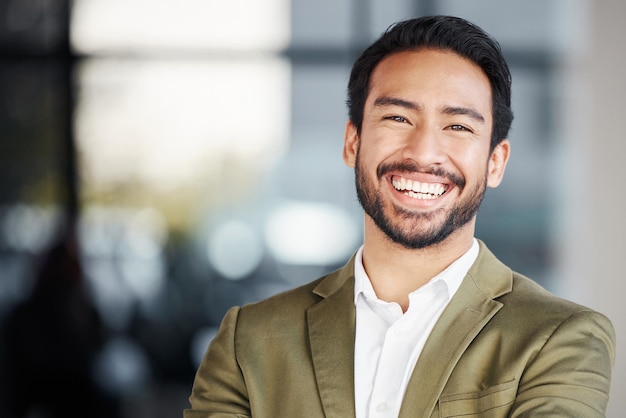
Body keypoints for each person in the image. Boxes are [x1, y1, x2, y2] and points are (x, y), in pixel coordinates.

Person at [184, 15, 615, 418]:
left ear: (496, 162)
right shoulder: (249, 342)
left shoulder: (559, 339)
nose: (424, 152)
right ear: (353, 142)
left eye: (458, 127)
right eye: (397, 117)